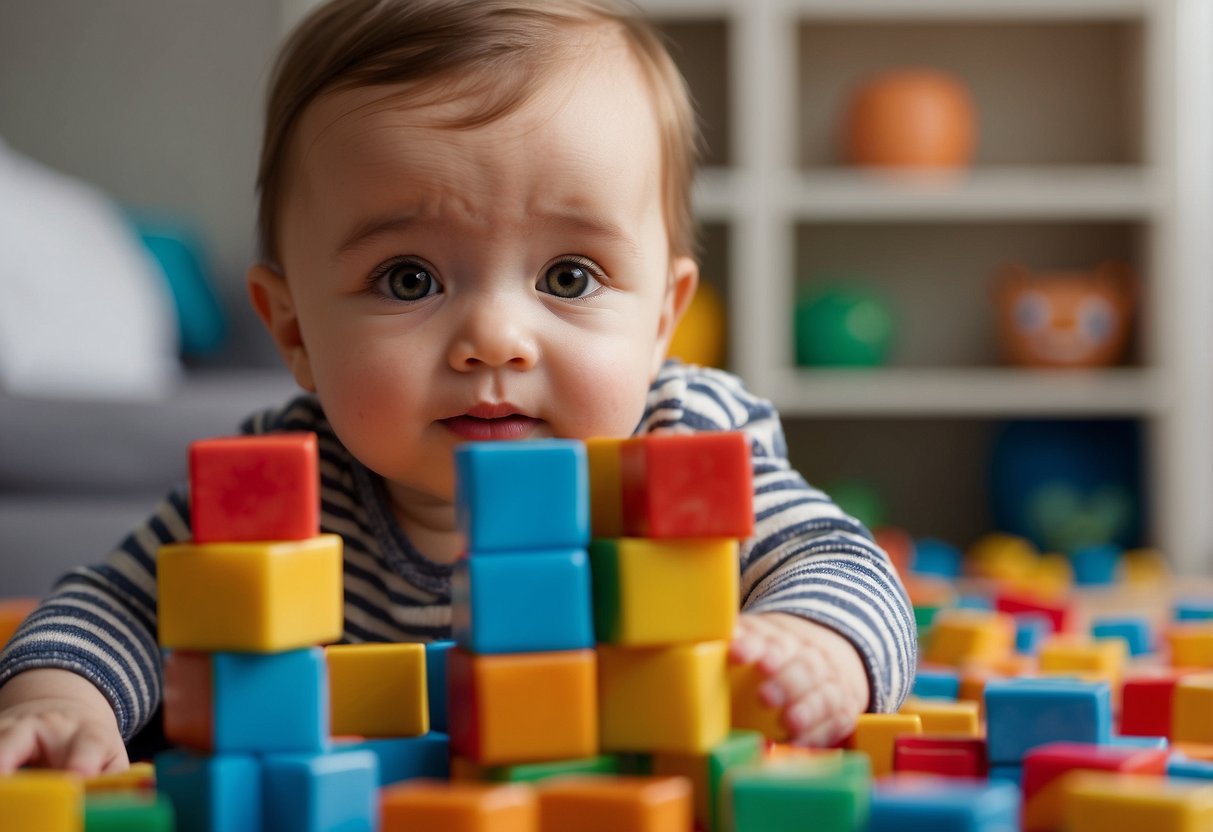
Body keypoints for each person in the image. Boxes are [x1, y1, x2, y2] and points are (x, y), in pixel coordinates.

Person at [0, 0, 915, 776]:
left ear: (662, 320)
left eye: (568, 278)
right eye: (409, 279)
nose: (494, 341)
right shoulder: (282, 482)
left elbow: (845, 567)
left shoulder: (679, 446)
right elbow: (116, 601)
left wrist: (813, 646)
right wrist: (60, 697)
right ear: (294, 330)